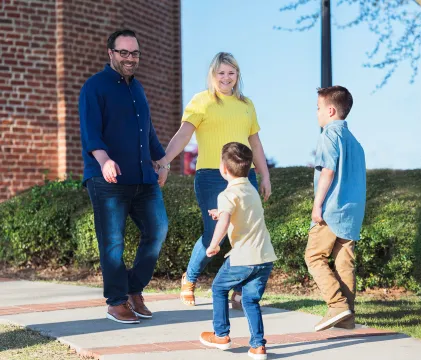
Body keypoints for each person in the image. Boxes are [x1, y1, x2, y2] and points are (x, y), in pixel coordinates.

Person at [162, 52, 271, 308]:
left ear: (237, 76)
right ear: (213, 75)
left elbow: (254, 142)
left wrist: (264, 174)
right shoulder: (201, 102)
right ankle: (189, 278)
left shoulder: (247, 105)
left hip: (245, 178)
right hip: (211, 176)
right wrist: (165, 161)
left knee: (246, 233)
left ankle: (240, 290)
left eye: (231, 73)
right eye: (221, 73)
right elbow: (183, 135)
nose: (226, 77)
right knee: (215, 233)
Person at [79, 29, 170, 324]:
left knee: (158, 230)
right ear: (111, 53)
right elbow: (90, 132)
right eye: (124, 53)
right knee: (113, 243)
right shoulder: (94, 87)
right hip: (108, 180)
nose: (130, 58)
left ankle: (133, 290)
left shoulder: (138, 88)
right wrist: (104, 161)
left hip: (144, 177)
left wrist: (163, 161)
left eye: (135, 53)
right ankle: (116, 302)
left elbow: (148, 132)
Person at [199, 142, 277, 360]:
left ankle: (221, 335)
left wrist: (214, 244)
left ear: (223, 168)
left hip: (243, 257)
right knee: (250, 300)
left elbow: (224, 223)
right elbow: (240, 212)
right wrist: (222, 212)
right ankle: (258, 346)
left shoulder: (227, 194)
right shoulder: (250, 189)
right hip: (264, 257)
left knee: (219, 288)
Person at [304, 86, 366, 331]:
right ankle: (347, 318)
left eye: (318, 108)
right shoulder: (355, 143)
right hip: (351, 213)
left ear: (330, 110)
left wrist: (317, 205)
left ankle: (336, 305)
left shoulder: (329, 135)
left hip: (331, 210)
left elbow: (327, 171)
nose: (317, 112)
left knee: (314, 256)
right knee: (344, 263)